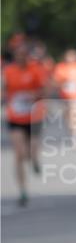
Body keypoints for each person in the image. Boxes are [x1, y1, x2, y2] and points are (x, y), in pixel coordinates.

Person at [2, 40, 49, 205]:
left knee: (30, 152)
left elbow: (45, 90)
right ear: (14, 55)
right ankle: (23, 190)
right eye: (18, 54)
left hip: (34, 116)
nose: (21, 57)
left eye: (24, 54)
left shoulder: (36, 69)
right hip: (15, 116)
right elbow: (3, 90)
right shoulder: (8, 71)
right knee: (19, 154)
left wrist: (34, 95)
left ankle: (35, 159)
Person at [53, 49, 76, 144]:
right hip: (65, 98)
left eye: (73, 56)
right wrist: (63, 85)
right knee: (68, 118)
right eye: (69, 56)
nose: (71, 59)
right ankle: (72, 133)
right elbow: (55, 83)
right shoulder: (60, 68)